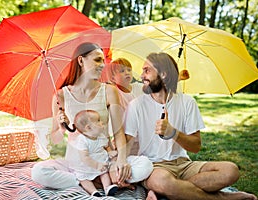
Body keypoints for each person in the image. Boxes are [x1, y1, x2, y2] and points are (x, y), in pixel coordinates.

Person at [124, 52, 257, 200]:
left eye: (147, 70)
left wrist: (173, 133)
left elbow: (196, 146)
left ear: (163, 74)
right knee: (162, 181)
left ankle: (169, 190)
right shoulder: (136, 105)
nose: (142, 75)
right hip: (154, 167)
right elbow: (127, 144)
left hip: (184, 165)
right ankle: (225, 198)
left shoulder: (187, 102)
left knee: (231, 171)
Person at [31, 42, 153, 190]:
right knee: (39, 172)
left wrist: (121, 160)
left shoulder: (109, 91)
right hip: (77, 163)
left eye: (102, 60)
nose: (102, 65)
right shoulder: (61, 96)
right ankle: (99, 181)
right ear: (81, 61)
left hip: (105, 160)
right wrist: (61, 126)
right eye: (97, 60)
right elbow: (55, 140)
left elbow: (118, 132)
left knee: (145, 165)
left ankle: (91, 182)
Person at [71, 109, 118, 197]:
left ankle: (107, 188)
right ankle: (93, 192)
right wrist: (96, 165)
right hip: (87, 165)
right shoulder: (82, 140)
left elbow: (106, 145)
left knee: (104, 173)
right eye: (98, 121)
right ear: (88, 128)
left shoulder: (100, 136)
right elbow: (84, 157)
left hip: (100, 161)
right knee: (83, 178)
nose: (102, 122)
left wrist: (109, 152)